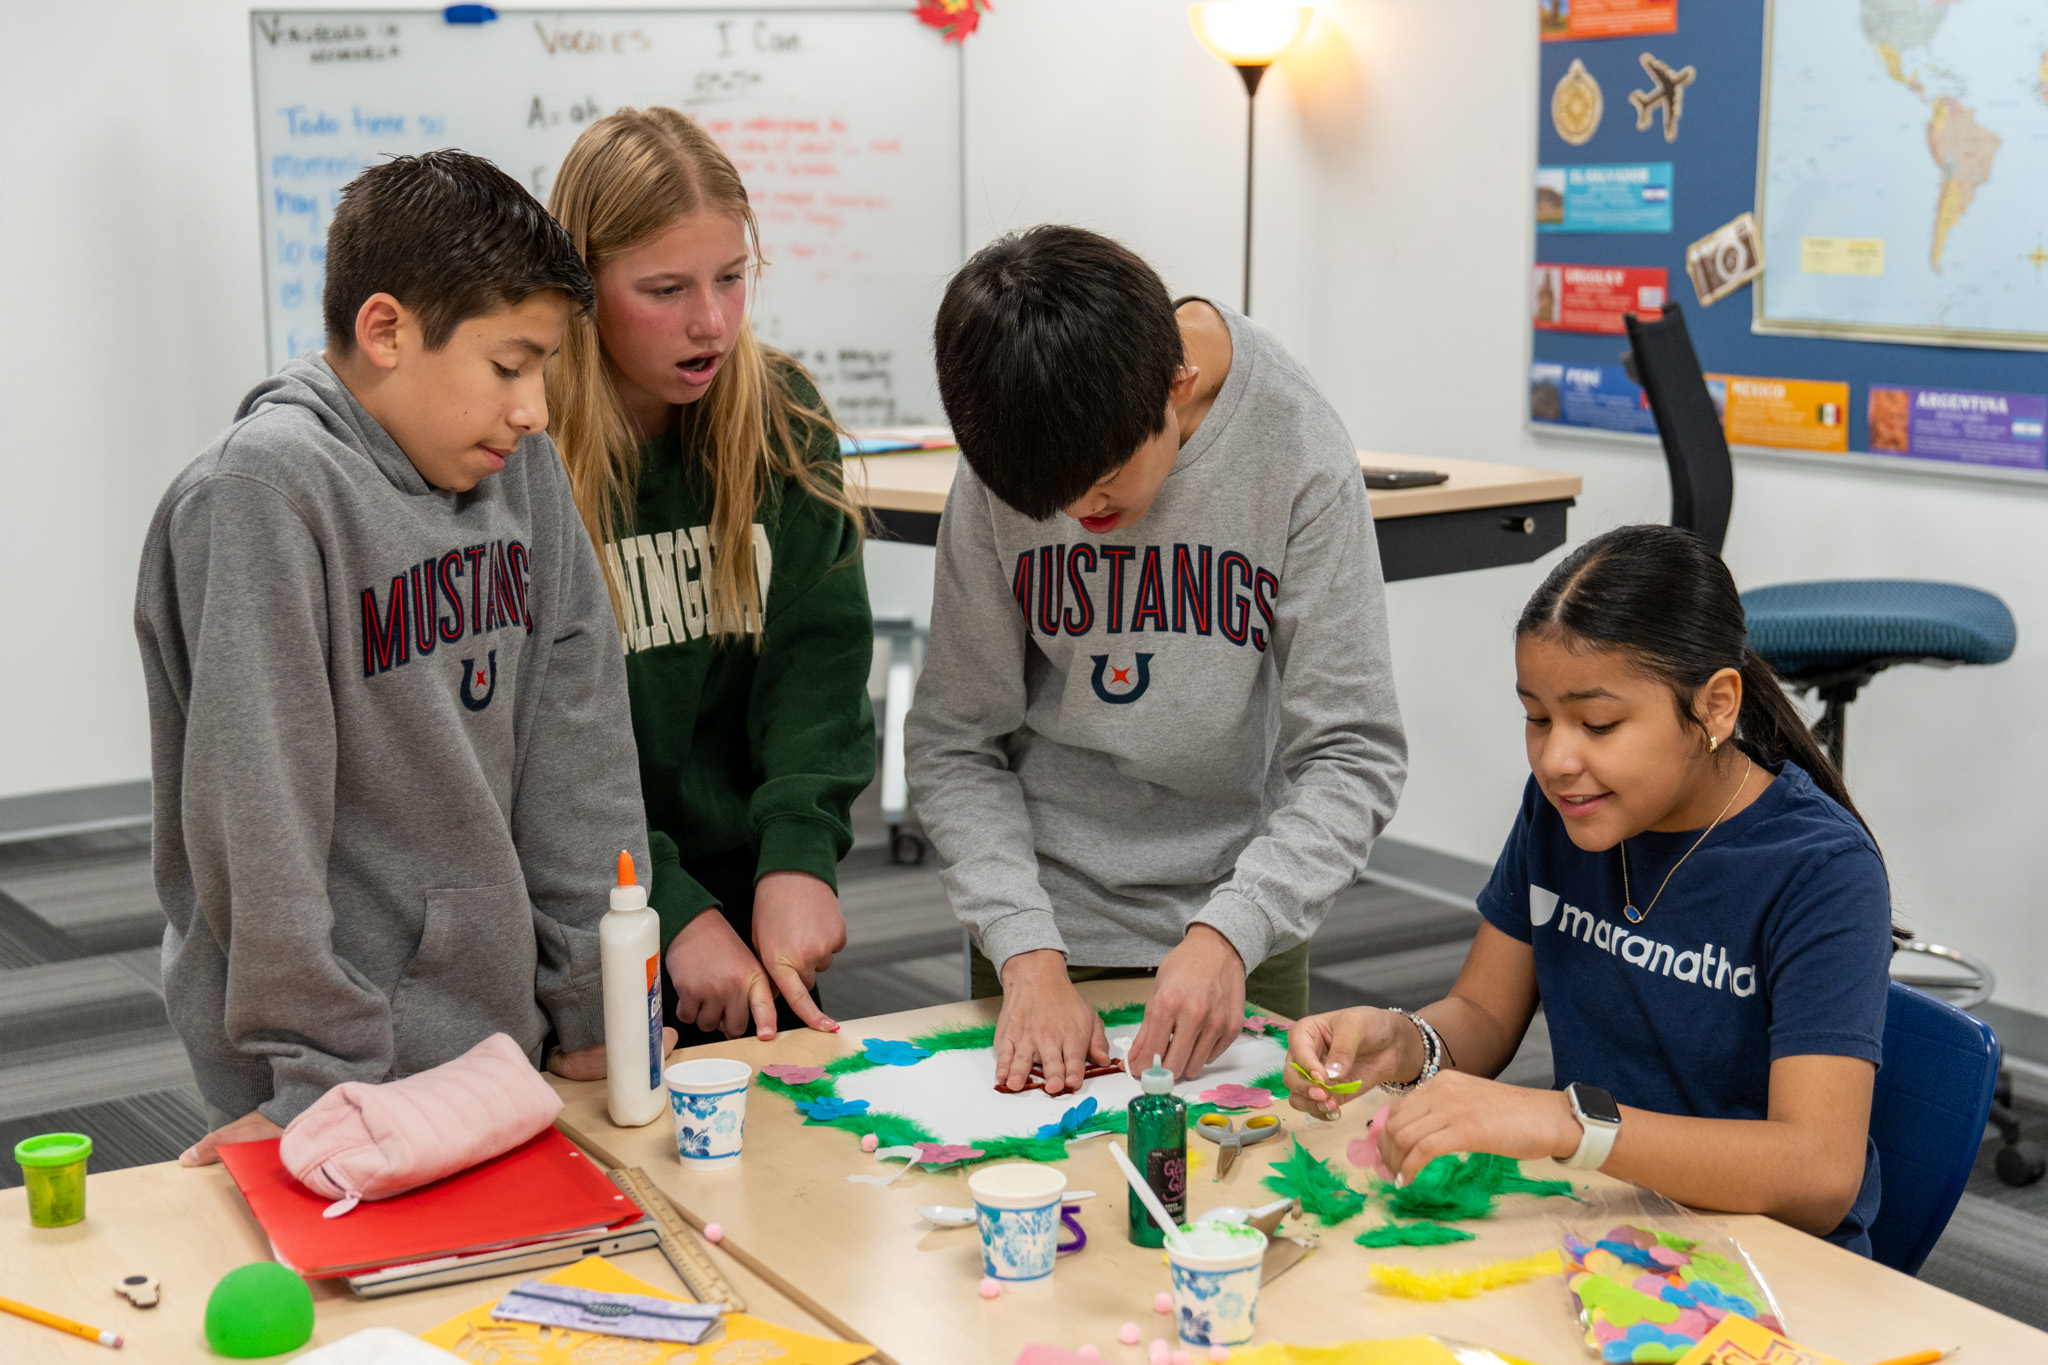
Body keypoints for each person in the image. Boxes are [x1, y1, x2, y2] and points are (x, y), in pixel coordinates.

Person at [136, 151, 658, 1165]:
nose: (535, 409)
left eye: (543, 369)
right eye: (508, 366)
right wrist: (311, 1081)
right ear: (384, 332)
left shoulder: (524, 474)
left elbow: (576, 737)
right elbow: (260, 818)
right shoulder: (262, 493)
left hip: (502, 1051)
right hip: (327, 1077)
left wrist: (591, 1002)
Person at [1282, 524, 1894, 1254]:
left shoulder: (1820, 868)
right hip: (1607, 1224)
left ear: (1717, 706)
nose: (1557, 757)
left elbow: (1820, 1173)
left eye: (1598, 723)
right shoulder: (1564, 813)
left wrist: (1568, 1123)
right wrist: (1405, 1042)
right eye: (1537, 718)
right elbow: (1484, 1009)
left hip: (1769, 1262)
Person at [906, 225, 1408, 1095]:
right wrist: (1026, 951)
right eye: (1048, 501)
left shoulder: (1293, 442)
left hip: (1238, 926)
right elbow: (955, 740)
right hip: (1035, 931)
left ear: (1176, 391)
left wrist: (1232, 932)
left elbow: (1353, 750)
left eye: (1100, 484)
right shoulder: (1016, 439)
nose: (1073, 508)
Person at [545, 108, 876, 1046]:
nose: (712, 321)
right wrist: (668, 904)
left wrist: (801, 854)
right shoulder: (527, 453)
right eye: (664, 289)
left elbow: (820, 662)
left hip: (748, 903)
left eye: (731, 278)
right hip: (588, 906)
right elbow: (547, 751)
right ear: (581, 288)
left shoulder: (780, 416)